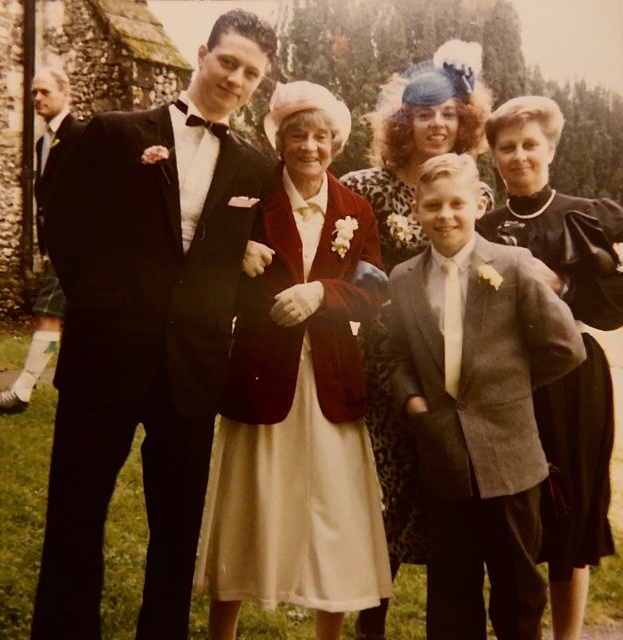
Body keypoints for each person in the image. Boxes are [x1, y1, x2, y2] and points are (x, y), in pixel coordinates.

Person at [29, 10, 278, 640]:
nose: (236, 78)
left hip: (191, 371)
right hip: (104, 358)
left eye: (251, 72)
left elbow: (244, 250)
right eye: (229, 62)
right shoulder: (115, 134)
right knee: (75, 517)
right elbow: (62, 224)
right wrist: (103, 299)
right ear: (202, 54)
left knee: (176, 533)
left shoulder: (254, 168)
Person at [195, 80, 392, 640]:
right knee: (248, 506)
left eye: (321, 136)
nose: (310, 146)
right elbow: (200, 253)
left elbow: (375, 292)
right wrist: (232, 250)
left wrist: (323, 295)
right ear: (279, 140)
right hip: (261, 375)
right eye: (297, 135)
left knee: (335, 512)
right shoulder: (250, 194)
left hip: (330, 379)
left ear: (337, 142)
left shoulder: (356, 209)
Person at [388, 153, 586, 640]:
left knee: (519, 592)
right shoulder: (404, 279)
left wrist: (511, 386)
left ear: (480, 204)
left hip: (511, 459)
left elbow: (566, 348)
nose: (446, 215)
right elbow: (395, 357)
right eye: (433, 205)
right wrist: (415, 401)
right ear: (416, 209)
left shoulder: (514, 266)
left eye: (457, 203)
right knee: (451, 592)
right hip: (444, 456)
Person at [339, 39, 493, 639]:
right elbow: (333, 260)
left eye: (449, 113)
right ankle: (370, 617)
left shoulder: (474, 187)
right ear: (404, 122)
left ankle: (450, 620)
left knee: (453, 489)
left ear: (465, 119)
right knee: (397, 486)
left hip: (455, 362)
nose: (437, 124)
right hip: (385, 360)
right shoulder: (364, 186)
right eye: (425, 113)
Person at [477, 95, 621, 640]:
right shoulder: (481, 225)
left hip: (573, 379)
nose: (519, 156)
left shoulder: (590, 215)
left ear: (551, 148)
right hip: (505, 383)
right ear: (494, 155)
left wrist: (565, 286)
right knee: (511, 516)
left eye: (530, 144)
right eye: (507, 147)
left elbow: (615, 306)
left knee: (571, 516)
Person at [0, 67, 84, 415]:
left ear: (65, 92)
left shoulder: (81, 134)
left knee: (47, 313)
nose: (38, 98)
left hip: (78, 248)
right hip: (58, 249)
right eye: (33, 93)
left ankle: (21, 392)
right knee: (77, 321)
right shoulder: (43, 141)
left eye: (45, 92)